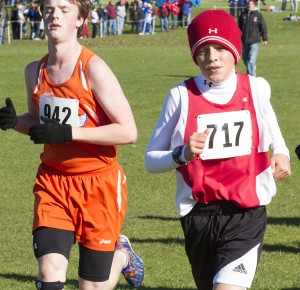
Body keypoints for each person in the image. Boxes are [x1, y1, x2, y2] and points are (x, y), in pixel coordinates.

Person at [0, 0, 144, 289]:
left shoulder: (94, 68)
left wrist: (69, 134)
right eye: (50, 9)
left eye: (65, 10)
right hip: (53, 182)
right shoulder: (35, 71)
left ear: (80, 19)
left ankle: (122, 256)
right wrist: (14, 121)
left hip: (98, 186)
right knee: (49, 272)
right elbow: (39, 123)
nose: (55, 15)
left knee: (90, 285)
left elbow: (128, 131)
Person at [145, 9, 291, 290]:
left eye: (220, 48)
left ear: (235, 50)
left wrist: (281, 153)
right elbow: (151, 159)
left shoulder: (257, 88)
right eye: (204, 50)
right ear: (194, 55)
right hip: (199, 215)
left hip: (246, 214)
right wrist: (182, 154)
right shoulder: (181, 95)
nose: (212, 57)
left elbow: (273, 130)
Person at [238, 0, 268, 76]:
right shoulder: (243, 14)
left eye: (251, 4)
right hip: (244, 40)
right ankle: (252, 67)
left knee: (251, 59)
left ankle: (250, 76)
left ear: (255, 4)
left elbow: (263, 27)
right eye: (249, 3)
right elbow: (239, 27)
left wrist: (265, 39)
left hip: (254, 41)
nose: (249, 5)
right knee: (245, 58)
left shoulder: (258, 15)